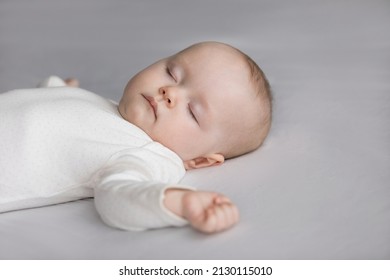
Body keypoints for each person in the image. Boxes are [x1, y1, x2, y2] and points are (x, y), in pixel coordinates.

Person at [0, 42, 272, 233]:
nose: (169, 92)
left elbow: (117, 196)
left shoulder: (147, 154)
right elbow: (54, 113)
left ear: (200, 160)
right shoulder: (105, 104)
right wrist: (61, 89)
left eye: (192, 111)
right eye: (172, 73)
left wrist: (177, 201)